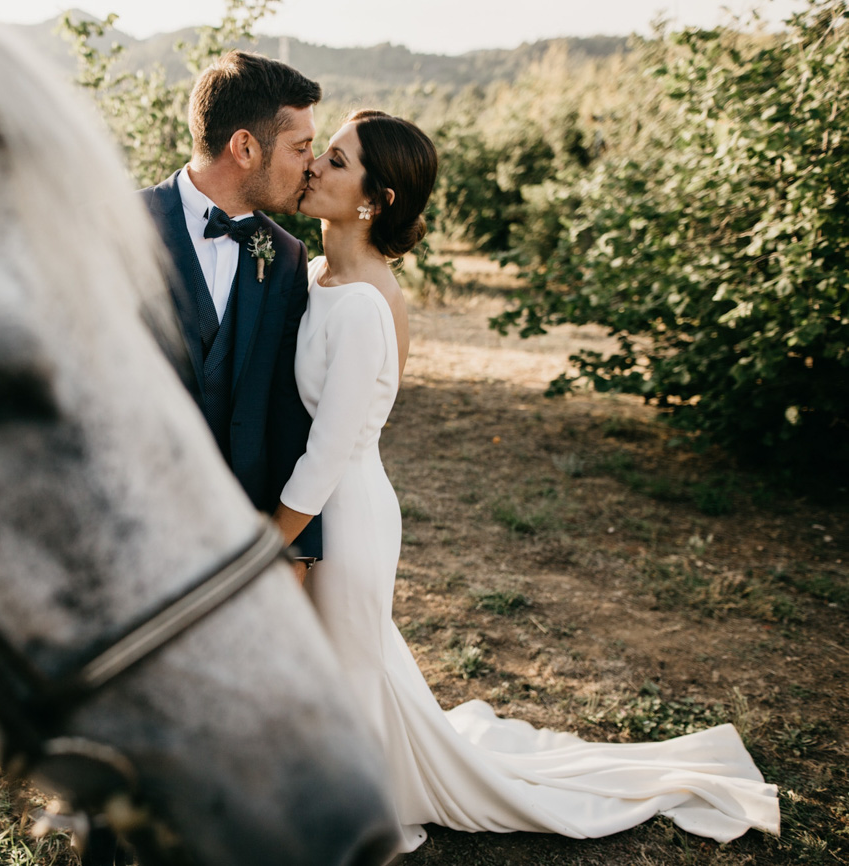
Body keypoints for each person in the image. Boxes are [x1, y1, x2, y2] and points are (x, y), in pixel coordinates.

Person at [271, 109, 781, 854]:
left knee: (349, 671)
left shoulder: (364, 308)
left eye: (336, 162)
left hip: (345, 516)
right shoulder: (315, 275)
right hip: (321, 508)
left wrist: (267, 542)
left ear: (374, 200)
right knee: (337, 667)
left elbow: (330, 449)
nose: (314, 167)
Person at [141, 50, 324, 574]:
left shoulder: (286, 256)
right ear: (244, 146)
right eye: (301, 146)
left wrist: (295, 551)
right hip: (130, 520)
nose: (311, 164)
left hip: (235, 532)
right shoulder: (114, 228)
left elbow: (289, 411)